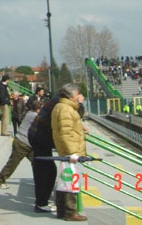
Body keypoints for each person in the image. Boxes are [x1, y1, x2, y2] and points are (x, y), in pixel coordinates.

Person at [51, 84, 88, 222]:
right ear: (71, 96)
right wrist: (72, 152)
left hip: (68, 151)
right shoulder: (65, 109)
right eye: (78, 94)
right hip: (70, 152)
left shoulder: (63, 107)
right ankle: (70, 212)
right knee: (70, 183)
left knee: (64, 182)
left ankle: (62, 210)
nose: (80, 96)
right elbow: (66, 133)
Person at [0, 100, 43, 189]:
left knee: (37, 162)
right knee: (12, 163)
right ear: (38, 109)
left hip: (27, 144)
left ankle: (39, 180)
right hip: (22, 143)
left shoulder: (30, 113)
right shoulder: (34, 116)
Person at [27, 94, 61, 214]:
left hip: (39, 139)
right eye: (77, 96)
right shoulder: (59, 105)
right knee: (46, 172)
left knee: (48, 171)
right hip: (39, 140)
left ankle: (42, 202)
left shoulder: (55, 102)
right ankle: (41, 204)